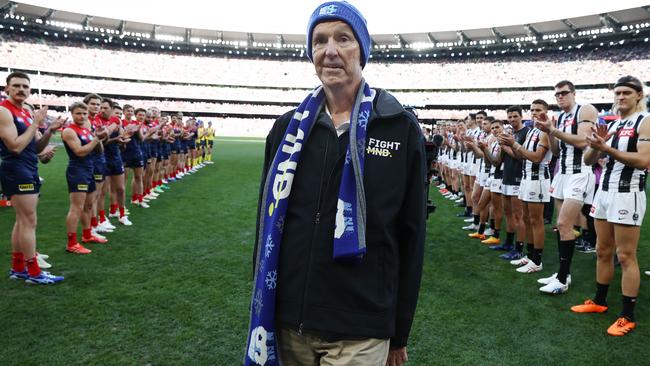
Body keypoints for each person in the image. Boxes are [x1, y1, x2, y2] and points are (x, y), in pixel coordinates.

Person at [245, 2, 426, 365]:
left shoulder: (399, 127)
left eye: (343, 38)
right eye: (319, 40)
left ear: (362, 50)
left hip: (360, 328)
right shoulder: (286, 129)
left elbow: (411, 235)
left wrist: (398, 331)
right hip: (286, 323)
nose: (330, 51)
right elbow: (265, 225)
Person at [571, 75, 649, 336]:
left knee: (625, 256)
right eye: (617, 93)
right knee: (602, 249)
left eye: (627, 92)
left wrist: (608, 149)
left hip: (628, 194)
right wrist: (596, 147)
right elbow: (587, 160)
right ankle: (600, 302)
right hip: (603, 192)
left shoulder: (645, 121)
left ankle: (627, 315)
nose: (621, 97)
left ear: (639, 95)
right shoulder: (612, 124)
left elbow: (643, 160)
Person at [0, 71, 64, 284]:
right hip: (16, 169)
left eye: (25, 87)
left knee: (22, 221)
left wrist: (48, 131)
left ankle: (18, 268)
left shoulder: (26, 111)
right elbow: (15, 147)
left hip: (28, 167)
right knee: (29, 221)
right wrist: (36, 124)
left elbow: (35, 146)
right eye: (16, 85)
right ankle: (34, 272)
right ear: (7, 88)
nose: (21, 90)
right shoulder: (4, 111)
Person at [536, 80, 599, 293]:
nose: (560, 97)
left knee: (565, 223)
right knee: (561, 224)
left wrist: (553, 129)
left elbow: (583, 142)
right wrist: (549, 131)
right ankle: (564, 273)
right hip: (562, 174)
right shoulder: (561, 117)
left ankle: (562, 280)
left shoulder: (585, 110)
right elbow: (555, 151)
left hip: (579, 173)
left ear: (573, 94)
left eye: (564, 93)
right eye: (557, 95)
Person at [499, 100, 553, 278]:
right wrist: (511, 145)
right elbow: (522, 155)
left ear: (546, 112)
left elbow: (537, 157)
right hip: (526, 177)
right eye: (532, 110)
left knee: (536, 220)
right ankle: (529, 256)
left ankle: (537, 260)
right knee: (527, 219)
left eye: (538, 110)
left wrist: (514, 144)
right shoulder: (532, 131)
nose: (535, 113)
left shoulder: (545, 132)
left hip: (537, 179)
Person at [62, 102, 107, 254]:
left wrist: (100, 137)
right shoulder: (69, 130)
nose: (82, 116)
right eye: (78, 113)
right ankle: (72, 243)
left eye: (84, 113)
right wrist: (95, 140)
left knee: (88, 205)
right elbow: (79, 152)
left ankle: (87, 235)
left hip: (89, 170)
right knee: (76, 208)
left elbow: (99, 151)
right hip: (77, 171)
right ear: (72, 114)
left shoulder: (87, 130)